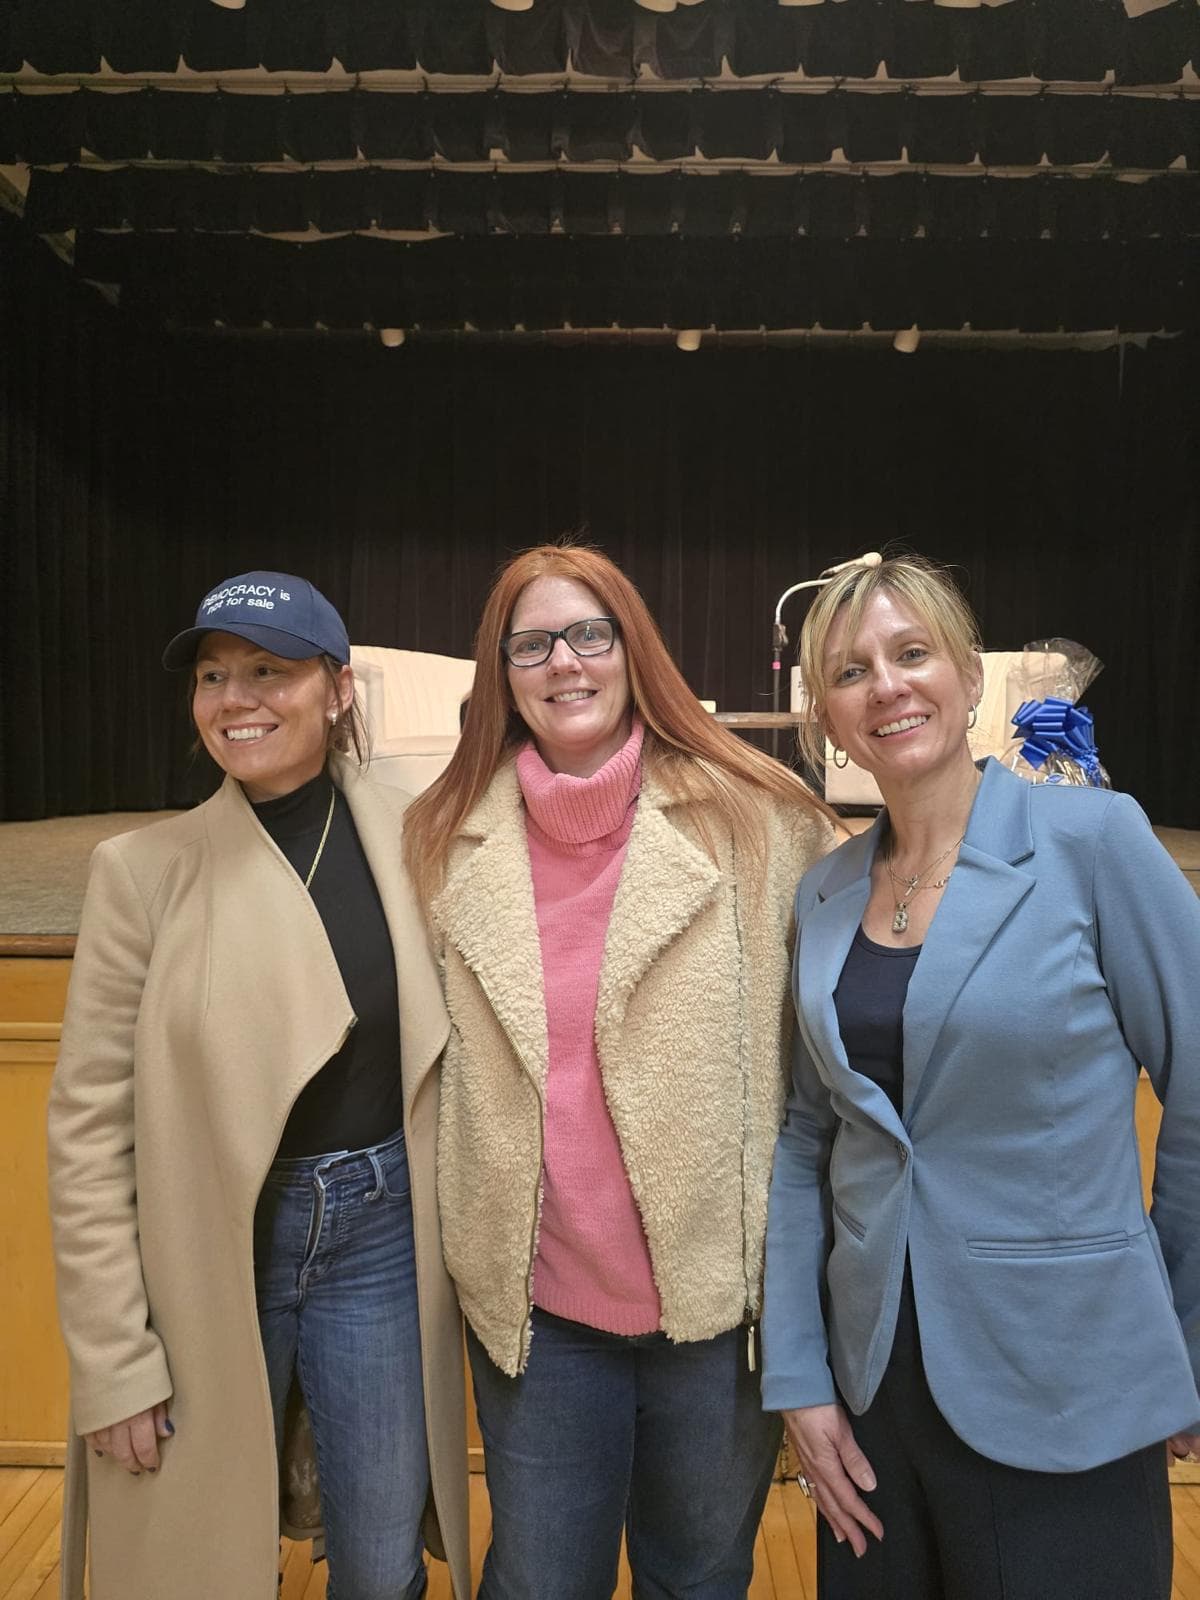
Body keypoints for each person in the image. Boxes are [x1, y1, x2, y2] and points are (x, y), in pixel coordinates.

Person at [761, 552, 1200, 1600]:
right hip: (872, 1394)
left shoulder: (1092, 841)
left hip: (1067, 1379)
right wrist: (799, 1375)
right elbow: (802, 1142)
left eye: (912, 654)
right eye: (854, 670)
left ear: (966, 676)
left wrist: (1179, 1338)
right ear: (827, 712)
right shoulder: (823, 892)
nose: (888, 684)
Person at [401, 542, 835, 1600]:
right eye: (533, 643)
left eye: (590, 634)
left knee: (699, 1577)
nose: (565, 662)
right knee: (541, 1581)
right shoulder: (440, 841)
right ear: (501, 672)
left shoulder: (757, 817)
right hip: (538, 1318)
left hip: (713, 1314)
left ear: (633, 651)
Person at [47, 571, 469, 1600]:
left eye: (268, 671)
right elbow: (88, 1134)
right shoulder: (141, 872)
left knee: (378, 1561)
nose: (236, 697)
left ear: (337, 690)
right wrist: (113, 1359)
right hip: (209, 1255)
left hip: (379, 1237)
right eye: (213, 674)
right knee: (198, 1566)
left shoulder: (419, 828)